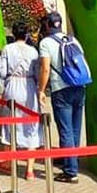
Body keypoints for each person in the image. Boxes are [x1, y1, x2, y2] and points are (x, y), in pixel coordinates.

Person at [38, 12, 86, 184]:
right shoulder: (72, 40)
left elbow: (45, 69)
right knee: (75, 129)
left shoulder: (46, 42)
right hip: (79, 86)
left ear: (47, 26)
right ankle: (71, 159)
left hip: (61, 89)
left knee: (65, 130)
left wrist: (41, 90)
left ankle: (71, 171)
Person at [0, 22, 42, 180]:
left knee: (10, 123)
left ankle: (9, 162)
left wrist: (0, 89)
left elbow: (2, 72)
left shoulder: (7, 49)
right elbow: (37, 72)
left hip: (13, 85)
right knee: (32, 125)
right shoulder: (33, 51)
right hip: (29, 86)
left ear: (14, 34)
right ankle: (30, 169)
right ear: (27, 34)